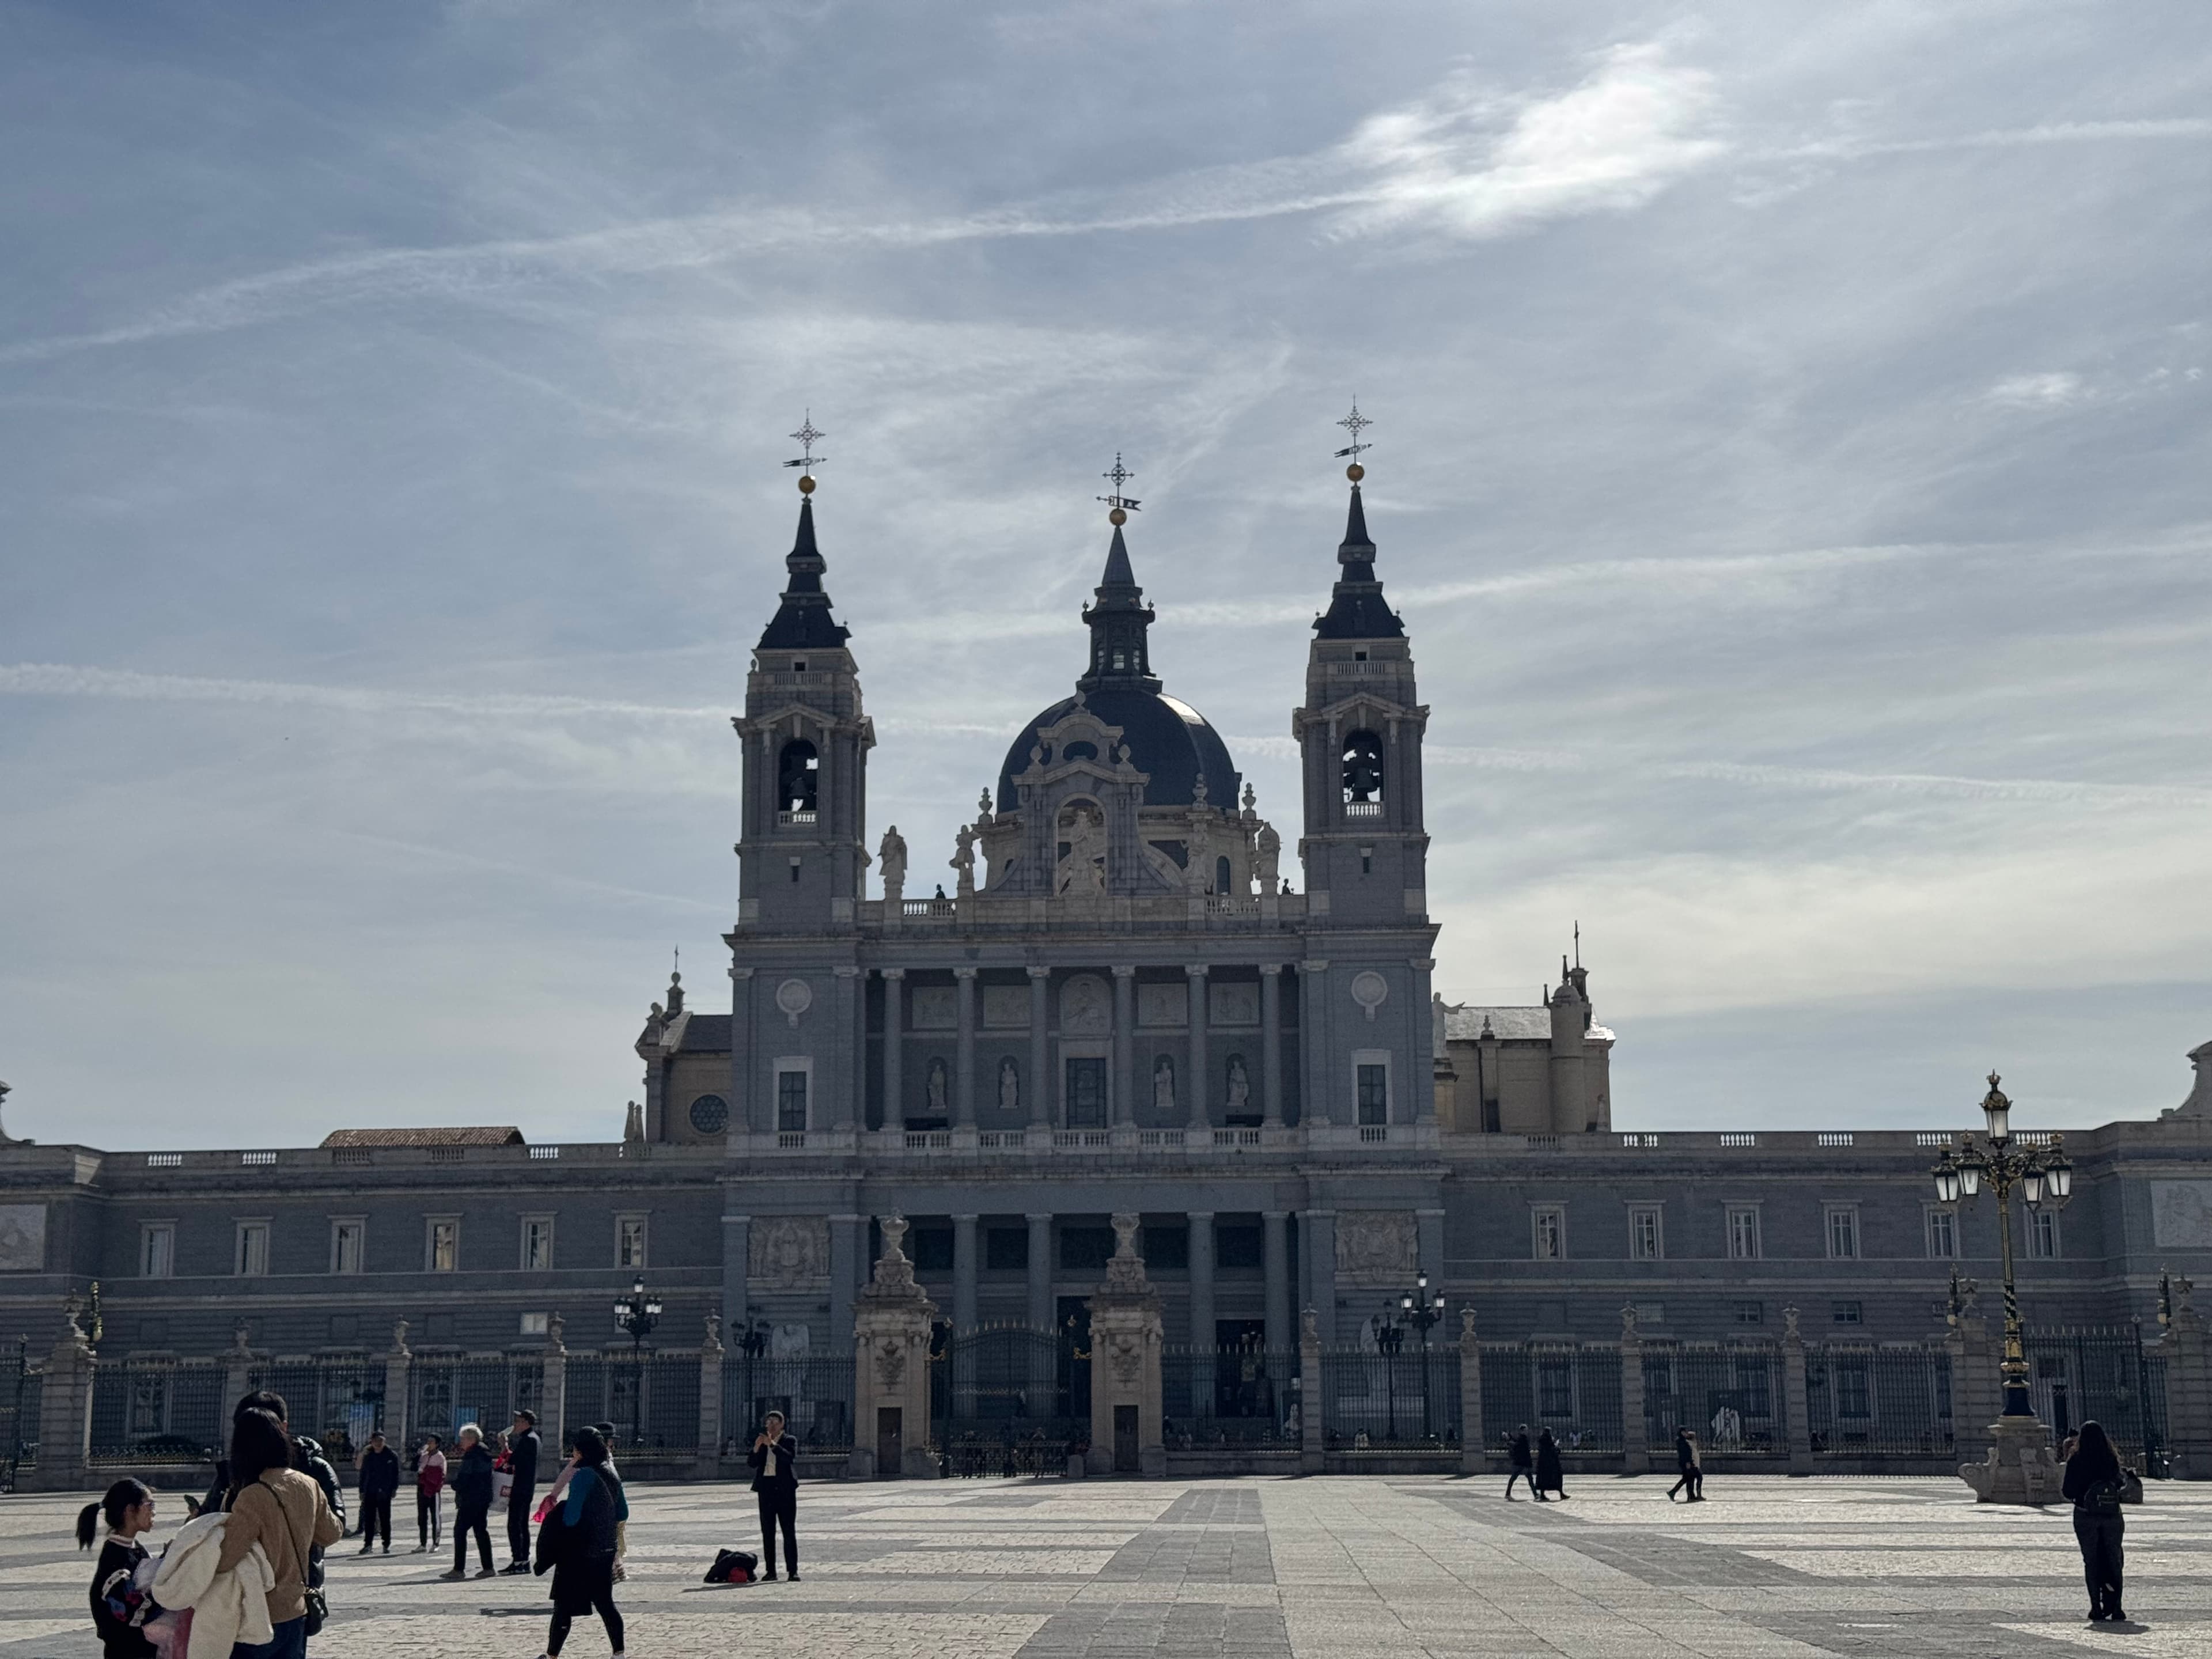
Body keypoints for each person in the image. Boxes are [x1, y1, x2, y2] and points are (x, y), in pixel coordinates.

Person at [214, 1406, 343, 1659]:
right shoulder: (308, 1484)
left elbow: (228, 1558)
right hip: (296, 1611)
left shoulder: (252, 1495)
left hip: (258, 1616)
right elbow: (331, 1534)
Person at [534, 1424, 628, 1658]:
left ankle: (552, 1656)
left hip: (581, 1551)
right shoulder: (611, 1472)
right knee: (606, 1603)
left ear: (581, 1451)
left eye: (575, 1449)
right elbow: (623, 1512)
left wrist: (560, 1514)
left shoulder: (583, 1475)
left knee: (563, 1605)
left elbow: (571, 1517)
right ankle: (619, 1653)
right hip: (606, 1546)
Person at [79, 1478, 160, 1658]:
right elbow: (131, 1612)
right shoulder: (116, 1559)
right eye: (150, 1505)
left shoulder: (135, 1548)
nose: (154, 1512)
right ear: (130, 1510)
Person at [2063, 1419, 2127, 1622]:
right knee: (2114, 1559)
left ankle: (2095, 1608)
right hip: (2111, 1515)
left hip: (2085, 1514)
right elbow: (2120, 1483)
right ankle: (2117, 1607)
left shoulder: (2077, 1459)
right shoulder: (2110, 1458)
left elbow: (2067, 1490)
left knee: (2091, 1561)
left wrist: (2082, 1496)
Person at [749, 1410, 801, 1581]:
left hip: (785, 1490)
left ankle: (792, 1571)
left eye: (774, 1422)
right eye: (768, 1422)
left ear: (782, 1424)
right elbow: (752, 1464)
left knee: (788, 1531)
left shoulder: (789, 1440)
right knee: (768, 1532)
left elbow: (789, 1458)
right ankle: (771, 1571)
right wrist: (757, 1448)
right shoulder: (762, 1442)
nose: (770, 1425)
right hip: (766, 1489)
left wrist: (772, 1444)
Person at [441, 1423, 498, 1580]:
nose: (461, 1442)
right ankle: (488, 1567)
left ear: (471, 1439)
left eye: (463, 1439)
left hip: (471, 1498)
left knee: (460, 1531)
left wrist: (456, 1485)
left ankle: (459, 1569)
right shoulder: (484, 1452)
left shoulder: (473, 1454)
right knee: (480, 1531)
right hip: (482, 1497)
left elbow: (466, 1477)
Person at [505, 1409, 542, 1574]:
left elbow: (513, 1460)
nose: (515, 1425)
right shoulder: (534, 1439)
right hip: (526, 1487)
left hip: (521, 1487)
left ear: (526, 1422)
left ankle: (519, 1560)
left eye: (518, 1421)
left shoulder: (528, 1440)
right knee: (521, 1525)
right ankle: (523, 1560)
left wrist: (504, 1446)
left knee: (515, 1525)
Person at [356, 1431, 399, 1555]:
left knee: (385, 1519)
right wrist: (361, 1490)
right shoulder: (369, 1456)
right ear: (372, 1442)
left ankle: (386, 1544)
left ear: (384, 1441)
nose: (378, 1443)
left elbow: (396, 1474)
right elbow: (363, 1474)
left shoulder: (391, 1455)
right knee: (369, 1519)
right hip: (370, 1490)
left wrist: (394, 1489)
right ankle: (368, 1544)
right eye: (375, 1441)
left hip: (385, 1492)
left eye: (380, 1440)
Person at [412, 1435, 446, 1552]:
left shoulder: (440, 1457)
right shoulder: (424, 1456)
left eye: (432, 1442)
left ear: (437, 1444)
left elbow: (442, 1474)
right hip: (422, 1488)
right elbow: (414, 1467)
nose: (429, 1444)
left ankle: (436, 1543)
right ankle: (423, 1543)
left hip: (433, 1490)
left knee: (435, 1516)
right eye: (428, 1441)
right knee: (422, 1517)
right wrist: (419, 1454)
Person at [1668, 1427, 1704, 1502]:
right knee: (1688, 1479)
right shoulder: (1682, 1441)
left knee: (1688, 1479)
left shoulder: (1683, 1441)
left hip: (1689, 1463)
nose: (1686, 1433)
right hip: (1686, 1463)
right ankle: (1689, 1496)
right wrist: (1688, 1462)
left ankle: (1689, 1495)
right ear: (1682, 1432)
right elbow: (1684, 1454)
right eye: (1685, 1432)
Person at [1535, 1426, 1567, 1500]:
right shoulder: (1549, 1441)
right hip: (1552, 1464)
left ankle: (1543, 1494)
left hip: (1543, 1465)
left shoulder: (1542, 1441)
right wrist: (1556, 1447)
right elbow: (1552, 1450)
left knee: (1543, 1479)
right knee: (1558, 1477)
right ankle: (1561, 1493)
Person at [1504, 1424, 1535, 1500]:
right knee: (1528, 1478)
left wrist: (1509, 1439)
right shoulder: (1523, 1439)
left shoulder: (1521, 1438)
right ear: (1523, 1430)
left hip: (1520, 1462)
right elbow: (1521, 1449)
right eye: (1526, 1430)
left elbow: (1516, 1445)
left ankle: (1536, 1494)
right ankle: (1536, 1494)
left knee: (1521, 1478)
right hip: (1522, 1462)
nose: (1527, 1431)